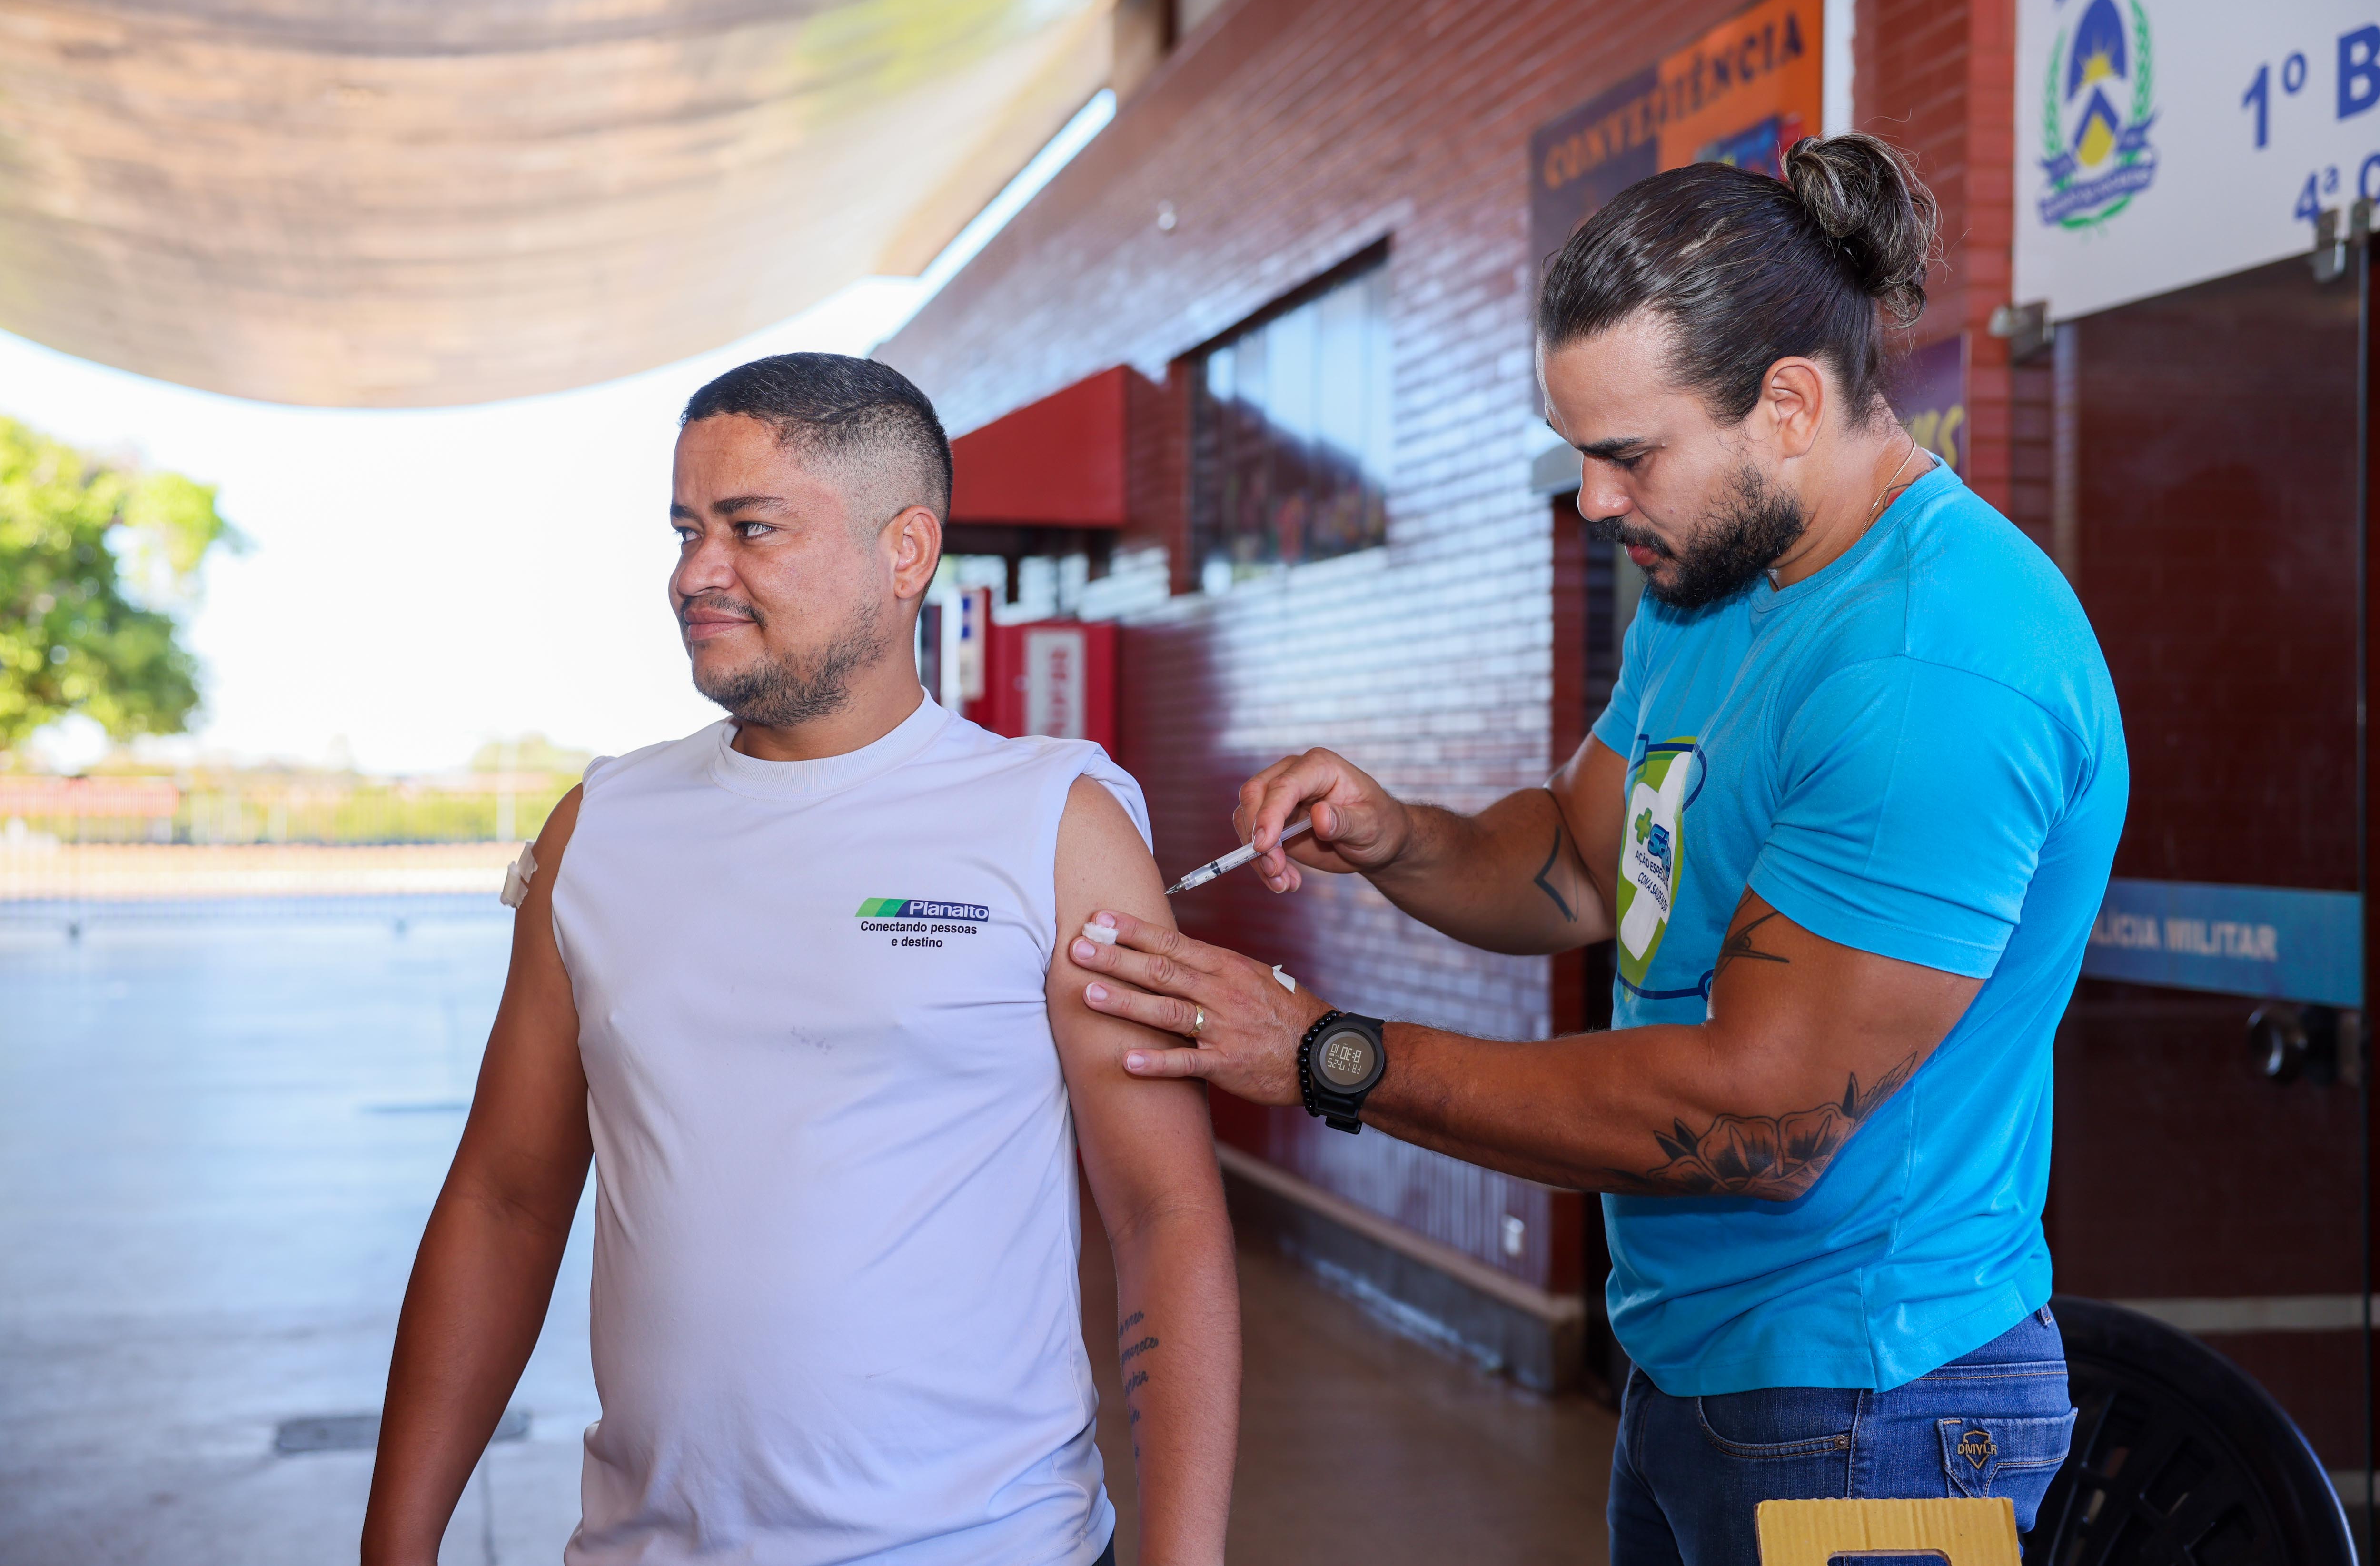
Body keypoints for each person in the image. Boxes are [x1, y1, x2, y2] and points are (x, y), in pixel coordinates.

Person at [1068, 134, 2126, 1563]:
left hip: (1875, 1394)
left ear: (1790, 404)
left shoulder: (1934, 665)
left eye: (1629, 454)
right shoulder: (1714, 583)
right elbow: (1582, 862)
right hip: (1697, 1364)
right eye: (1581, 451)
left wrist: (1329, 1053)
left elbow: (1760, 1119)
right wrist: (1398, 836)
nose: (1592, 499)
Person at [361, 354, 1240, 1566]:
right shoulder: (600, 827)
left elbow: (1162, 1211)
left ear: (905, 549)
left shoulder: (1053, 824)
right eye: (686, 530)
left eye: (751, 528)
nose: (694, 573)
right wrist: (394, 1545)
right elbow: (504, 1199)